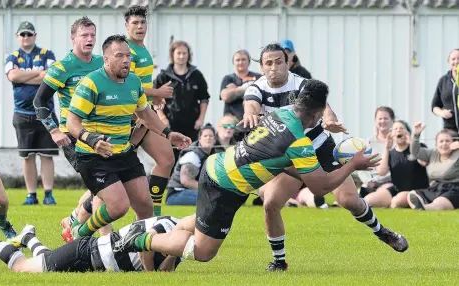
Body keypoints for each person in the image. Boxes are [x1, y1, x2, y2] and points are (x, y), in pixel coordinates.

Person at [113, 79, 383, 265]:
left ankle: (149, 231)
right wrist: (353, 165)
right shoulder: (298, 142)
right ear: (315, 116)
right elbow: (321, 187)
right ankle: (141, 240)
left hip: (222, 171)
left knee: (199, 223)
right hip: (224, 185)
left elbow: (274, 156)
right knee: (204, 252)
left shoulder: (281, 115)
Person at [242, 43, 408, 271]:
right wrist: (250, 115)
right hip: (289, 156)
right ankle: (279, 262)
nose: (274, 68)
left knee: (349, 201)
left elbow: (326, 108)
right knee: (270, 204)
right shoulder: (256, 88)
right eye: (268, 63)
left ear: (288, 63)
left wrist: (329, 120)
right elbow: (250, 106)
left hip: (319, 147)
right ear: (261, 67)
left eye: (279, 62)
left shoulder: (302, 84)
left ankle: (382, 232)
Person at [65, 34, 191, 241]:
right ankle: (80, 232)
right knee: (118, 206)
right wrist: (92, 139)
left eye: (128, 56)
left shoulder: (133, 82)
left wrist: (168, 133)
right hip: (94, 157)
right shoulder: (91, 84)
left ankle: (136, 252)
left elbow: (145, 113)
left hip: (123, 154)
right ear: (106, 59)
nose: (126, 60)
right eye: (119, 56)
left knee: (145, 207)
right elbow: (72, 123)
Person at [31, 17, 106, 240]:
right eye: (84, 35)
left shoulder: (103, 63)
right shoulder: (62, 67)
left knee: (107, 185)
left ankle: (73, 220)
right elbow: (39, 102)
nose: (90, 39)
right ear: (73, 38)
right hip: (74, 136)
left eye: (93, 35)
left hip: (102, 134)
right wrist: (54, 130)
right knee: (104, 186)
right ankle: (103, 240)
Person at [0, 216, 184, 273]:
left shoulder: (182, 242)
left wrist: (175, 252)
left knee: (48, 261)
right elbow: (144, 248)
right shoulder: (167, 225)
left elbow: (162, 273)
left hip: (91, 256)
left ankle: (29, 237)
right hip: (88, 254)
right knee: (22, 267)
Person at [124, 5, 176, 216]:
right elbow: (127, 85)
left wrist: (153, 98)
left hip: (143, 114)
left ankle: (154, 212)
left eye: (142, 22)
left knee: (166, 159)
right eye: (134, 23)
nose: (139, 26)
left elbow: (140, 87)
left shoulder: (143, 50)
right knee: (117, 174)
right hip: (127, 118)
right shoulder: (126, 51)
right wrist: (158, 91)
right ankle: (78, 216)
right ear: (126, 26)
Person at [5, 20, 58, 205]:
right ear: (17, 37)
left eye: (29, 34)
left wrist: (23, 76)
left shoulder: (47, 54)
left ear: (35, 36)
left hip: (45, 113)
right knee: (27, 156)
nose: (26, 37)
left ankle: (49, 194)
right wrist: (37, 74)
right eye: (23, 34)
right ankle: (31, 194)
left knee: (47, 155)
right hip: (22, 113)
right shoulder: (12, 56)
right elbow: (12, 76)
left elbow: (50, 77)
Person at [154, 40, 210, 156]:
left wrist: (201, 119)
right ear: (172, 55)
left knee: (191, 155)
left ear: (189, 55)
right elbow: (155, 99)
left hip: (192, 124)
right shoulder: (163, 76)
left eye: (184, 53)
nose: (181, 56)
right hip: (170, 124)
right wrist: (162, 118)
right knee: (170, 157)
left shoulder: (196, 75)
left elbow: (204, 98)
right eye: (178, 53)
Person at [363, 120, 429, 208]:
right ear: (392, 135)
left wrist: (411, 144)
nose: (398, 130)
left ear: (408, 133)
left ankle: (394, 203)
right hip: (397, 189)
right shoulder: (390, 153)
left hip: (416, 190)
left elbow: (424, 162)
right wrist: (386, 148)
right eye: (395, 129)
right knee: (368, 200)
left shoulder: (419, 147)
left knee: (396, 202)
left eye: (402, 128)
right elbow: (381, 172)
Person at [408, 124, 459, 210]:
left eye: (447, 141)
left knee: (440, 201)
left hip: (454, 190)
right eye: (441, 141)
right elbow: (415, 152)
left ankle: (425, 208)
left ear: (453, 142)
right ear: (436, 144)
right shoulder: (432, 153)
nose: (444, 144)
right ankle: (421, 206)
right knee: (412, 194)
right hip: (434, 188)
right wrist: (416, 135)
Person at [166, 124, 220, 206]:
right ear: (200, 139)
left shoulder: (214, 155)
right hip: (176, 194)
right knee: (213, 198)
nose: (208, 138)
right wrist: (209, 189)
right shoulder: (192, 155)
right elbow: (186, 181)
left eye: (211, 136)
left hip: (189, 191)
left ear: (215, 139)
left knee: (218, 196)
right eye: (205, 136)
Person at [220, 49, 262, 123]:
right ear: (233, 62)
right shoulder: (228, 78)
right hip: (232, 124)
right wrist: (250, 88)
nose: (240, 62)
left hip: (253, 120)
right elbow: (225, 96)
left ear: (248, 61)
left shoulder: (258, 77)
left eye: (243, 59)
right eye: (238, 60)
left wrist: (235, 91)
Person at [431, 49, 459, 133]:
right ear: (449, 62)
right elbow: (434, 106)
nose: (456, 61)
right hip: (450, 130)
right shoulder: (443, 81)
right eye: (453, 59)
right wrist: (442, 113)